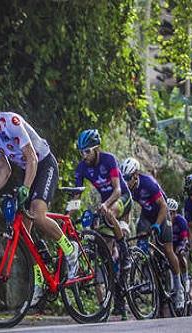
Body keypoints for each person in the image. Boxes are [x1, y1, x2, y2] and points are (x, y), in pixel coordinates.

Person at [0, 84, 78, 307]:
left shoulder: (11, 122)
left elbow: (32, 158)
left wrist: (26, 188)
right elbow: (4, 169)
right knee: (24, 234)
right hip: (27, 171)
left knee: (37, 214)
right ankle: (39, 281)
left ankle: (70, 248)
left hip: (43, 164)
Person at [73, 129, 132, 319]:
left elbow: (116, 189)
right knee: (102, 255)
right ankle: (109, 304)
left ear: (96, 148)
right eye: (82, 152)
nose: (84, 155)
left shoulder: (109, 160)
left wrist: (105, 204)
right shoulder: (82, 168)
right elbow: (76, 196)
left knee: (109, 211)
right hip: (107, 206)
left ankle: (123, 247)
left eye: (87, 151)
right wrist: (66, 216)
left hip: (121, 198)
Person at [120, 158, 185, 309]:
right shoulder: (128, 189)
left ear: (135, 175)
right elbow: (127, 208)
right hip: (147, 215)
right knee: (142, 246)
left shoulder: (148, 183)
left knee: (168, 250)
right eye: (124, 179)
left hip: (162, 213)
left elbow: (163, 206)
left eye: (128, 178)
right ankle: (148, 278)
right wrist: (124, 225)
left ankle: (179, 287)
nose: (126, 182)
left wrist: (157, 224)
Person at [167, 198, 191, 291]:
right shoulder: (164, 221)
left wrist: (182, 248)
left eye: (171, 213)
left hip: (180, 242)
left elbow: (185, 238)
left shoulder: (180, 221)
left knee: (179, 254)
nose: (169, 215)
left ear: (175, 213)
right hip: (169, 243)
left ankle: (185, 278)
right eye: (167, 212)